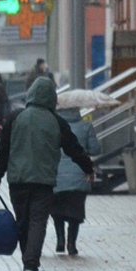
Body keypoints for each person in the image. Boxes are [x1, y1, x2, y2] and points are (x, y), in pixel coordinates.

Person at [0, 77, 95, 271]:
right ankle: (31, 267)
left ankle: (27, 265)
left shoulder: (15, 118)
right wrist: (88, 168)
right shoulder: (56, 122)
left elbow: (4, 150)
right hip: (43, 182)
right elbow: (74, 148)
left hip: (17, 181)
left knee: (23, 224)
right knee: (38, 222)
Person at [51, 96, 100, 255]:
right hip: (79, 175)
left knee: (57, 208)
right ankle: (72, 244)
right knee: (75, 211)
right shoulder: (86, 126)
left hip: (57, 175)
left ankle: (60, 240)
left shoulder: (53, 126)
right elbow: (95, 149)